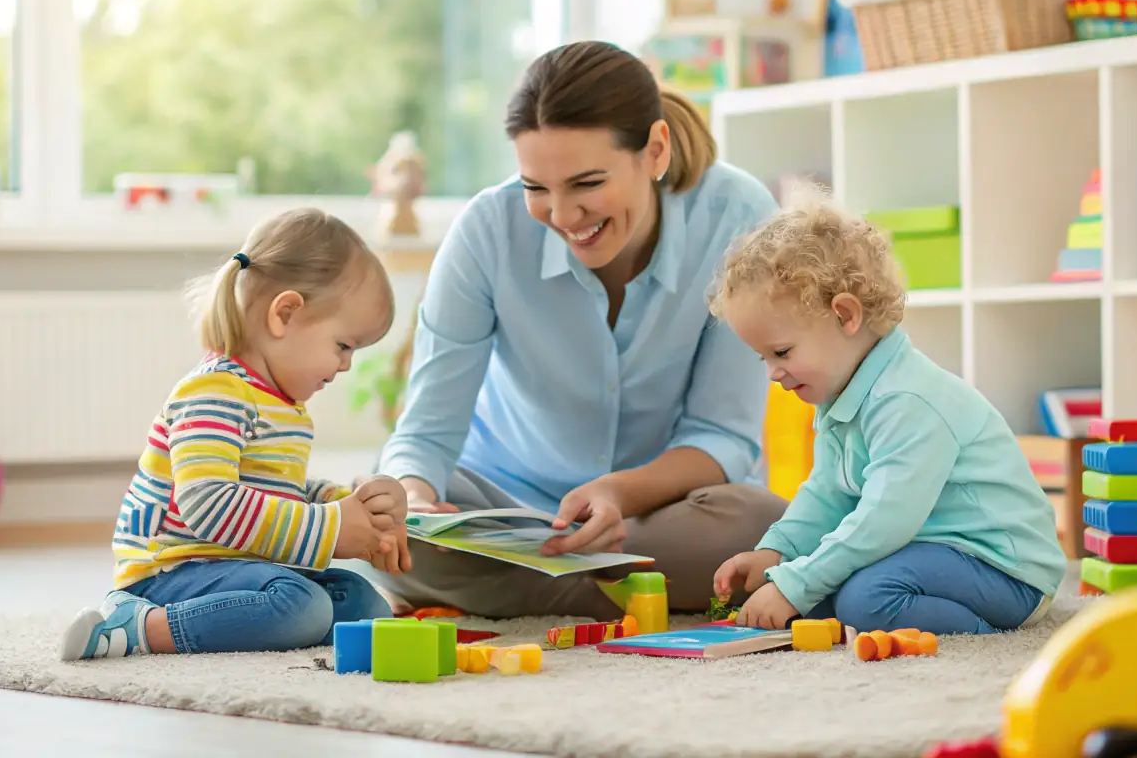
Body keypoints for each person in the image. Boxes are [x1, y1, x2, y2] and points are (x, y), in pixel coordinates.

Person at [371, 40, 788, 619]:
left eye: (588, 184)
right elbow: (425, 435)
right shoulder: (486, 232)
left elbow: (723, 434)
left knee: (761, 523)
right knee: (385, 523)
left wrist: (618, 494)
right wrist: (414, 499)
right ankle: (629, 591)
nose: (563, 217)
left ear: (655, 150)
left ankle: (535, 593)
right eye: (536, 188)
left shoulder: (738, 216)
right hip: (506, 509)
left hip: (658, 513)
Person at [59, 208, 412, 661]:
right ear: (284, 314)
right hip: (173, 571)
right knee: (300, 608)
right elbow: (209, 503)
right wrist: (331, 526)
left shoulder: (285, 406)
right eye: (343, 345)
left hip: (239, 566)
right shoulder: (214, 392)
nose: (346, 365)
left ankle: (246, 617)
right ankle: (140, 625)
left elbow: (274, 489)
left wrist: (351, 503)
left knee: (365, 605)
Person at [710, 187, 1066, 635]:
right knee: (820, 597)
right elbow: (827, 494)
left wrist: (796, 582)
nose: (773, 374)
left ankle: (989, 637)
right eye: (764, 357)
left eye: (781, 351)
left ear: (845, 316)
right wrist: (777, 554)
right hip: (930, 551)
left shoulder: (908, 400)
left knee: (864, 599)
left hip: (1006, 570)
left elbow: (883, 520)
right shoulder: (842, 397)